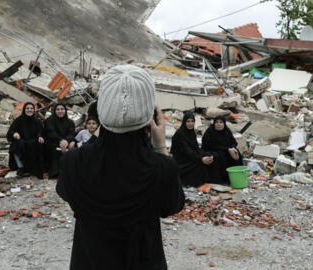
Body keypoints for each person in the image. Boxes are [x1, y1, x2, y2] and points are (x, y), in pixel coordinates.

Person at [56, 65, 185, 270]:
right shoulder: (161, 167)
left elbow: (66, 193)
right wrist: (160, 146)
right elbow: (173, 206)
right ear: (149, 113)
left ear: (102, 109)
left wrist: (104, 128)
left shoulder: (73, 162)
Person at [170, 113, 216, 187]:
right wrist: (201, 159)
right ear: (184, 122)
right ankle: (194, 184)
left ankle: (207, 181)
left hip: (190, 156)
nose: (190, 124)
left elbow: (196, 148)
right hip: (181, 160)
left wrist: (206, 155)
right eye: (188, 121)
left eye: (192, 121)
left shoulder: (192, 133)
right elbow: (187, 151)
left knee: (211, 156)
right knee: (198, 163)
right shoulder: (180, 134)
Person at [6, 102, 44, 178]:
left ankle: (33, 168)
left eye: (31, 108)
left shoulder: (37, 121)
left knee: (39, 144)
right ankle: (21, 167)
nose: (29, 110)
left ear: (34, 110)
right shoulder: (18, 120)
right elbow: (10, 131)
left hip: (33, 142)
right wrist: (14, 134)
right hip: (21, 142)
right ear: (24, 110)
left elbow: (41, 131)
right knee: (16, 145)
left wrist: (40, 136)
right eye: (27, 108)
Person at [201, 115, 243, 185]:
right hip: (211, 150)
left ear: (224, 123)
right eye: (217, 122)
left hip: (225, 149)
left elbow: (233, 142)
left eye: (221, 122)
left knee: (236, 153)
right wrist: (227, 149)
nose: (219, 124)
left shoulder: (226, 131)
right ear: (214, 123)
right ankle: (221, 179)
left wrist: (233, 148)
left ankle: (235, 176)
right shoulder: (210, 131)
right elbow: (210, 145)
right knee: (220, 155)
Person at [43, 103, 76, 178]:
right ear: (54, 111)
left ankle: (71, 171)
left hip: (66, 142)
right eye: (58, 109)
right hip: (53, 141)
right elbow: (50, 132)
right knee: (55, 148)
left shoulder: (70, 122)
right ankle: (56, 172)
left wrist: (67, 141)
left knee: (74, 146)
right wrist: (61, 140)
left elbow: (71, 133)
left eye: (62, 109)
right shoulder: (50, 120)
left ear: (65, 110)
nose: (60, 111)